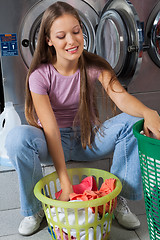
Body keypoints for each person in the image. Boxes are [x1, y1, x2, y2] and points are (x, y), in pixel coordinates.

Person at [5, 1, 160, 236]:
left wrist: (149, 112)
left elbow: (122, 99)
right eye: (61, 35)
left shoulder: (94, 66)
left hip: (88, 138)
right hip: (50, 141)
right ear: (48, 40)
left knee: (131, 122)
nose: (71, 41)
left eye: (76, 31)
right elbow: (51, 129)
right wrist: (64, 180)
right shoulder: (39, 76)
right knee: (16, 138)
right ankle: (34, 209)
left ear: (83, 31)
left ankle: (116, 199)